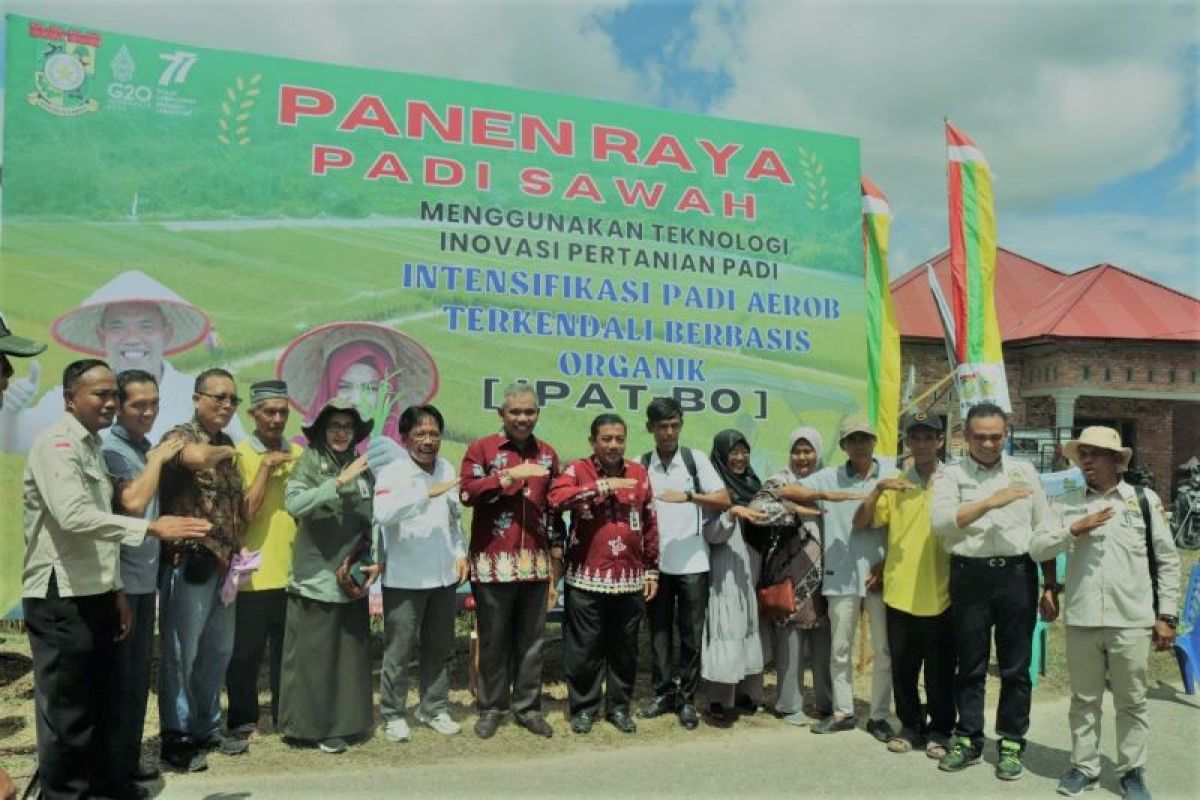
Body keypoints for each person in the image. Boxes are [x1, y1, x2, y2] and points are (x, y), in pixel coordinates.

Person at [22, 359, 209, 798]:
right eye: (99, 394)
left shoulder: (89, 445)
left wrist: (117, 590)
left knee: (101, 701)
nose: (109, 403)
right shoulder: (57, 445)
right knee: (68, 713)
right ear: (70, 397)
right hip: (59, 593)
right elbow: (74, 518)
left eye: (111, 394)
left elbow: (99, 532)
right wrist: (150, 527)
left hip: (95, 589)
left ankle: (104, 787)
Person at [1029, 427, 1180, 800]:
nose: (1088, 460)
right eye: (1084, 454)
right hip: (1082, 618)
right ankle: (1084, 767)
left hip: (1131, 619)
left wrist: (1168, 616)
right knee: (1084, 700)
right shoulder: (1066, 502)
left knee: (1131, 700)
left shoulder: (1142, 501)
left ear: (1117, 460)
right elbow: (1036, 548)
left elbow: (1168, 561)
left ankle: (1131, 772)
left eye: (1096, 454)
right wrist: (1073, 529)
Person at [931, 402, 1059, 780]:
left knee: (1016, 666)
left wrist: (1050, 585)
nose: (988, 444)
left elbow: (1045, 529)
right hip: (970, 575)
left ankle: (1012, 741)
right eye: (980, 436)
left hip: (1017, 576)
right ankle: (969, 737)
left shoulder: (1025, 472)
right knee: (969, 663)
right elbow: (941, 524)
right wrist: (990, 501)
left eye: (995, 436)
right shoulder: (950, 475)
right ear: (965, 436)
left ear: (1007, 435)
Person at [0, 271, 245, 453]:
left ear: (166, 334)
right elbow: (14, 444)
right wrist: (10, 413)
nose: (132, 338)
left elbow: (242, 458)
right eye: (117, 327)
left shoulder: (200, 398)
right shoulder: (73, 399)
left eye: (145, 326)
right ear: (101, 335)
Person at [157, 368, 250, 772]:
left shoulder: (227, 441)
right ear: (197, 398)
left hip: (223, 565)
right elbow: (194, 457)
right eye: (219, 398)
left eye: (233, 400)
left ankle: (206, 727)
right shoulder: (179, 436)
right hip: (189, 563)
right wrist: (230, 452)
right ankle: (176, 737)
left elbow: (234, 507)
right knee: (181, 653)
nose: (227, 406)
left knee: (217, 651)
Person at [459, 382, 561, 739]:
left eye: (529, 411)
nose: (522, 418)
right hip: (492, 563)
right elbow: (467, 493)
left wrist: (556, 555)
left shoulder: (547, 454)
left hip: (535, 565)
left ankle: (528, 708)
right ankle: (491, 708)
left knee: (531, 641)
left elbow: (553, 507)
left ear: (537, 414)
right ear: (501, 414)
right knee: (493, 640)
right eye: (515, 412)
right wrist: (507, 477)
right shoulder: (482, 449)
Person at [101, 369, 186, 792]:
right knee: (121, 684)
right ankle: (114, 775)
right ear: (117, 405)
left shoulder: (141, 447)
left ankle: (126, 764)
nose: (149, 411)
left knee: (135, 684)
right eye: (139, 404)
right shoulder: (113, 449)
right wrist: (157, 460)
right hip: (119, 584)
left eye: (154, 402)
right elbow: (132, 505)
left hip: (142, 580)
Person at [852, 412, 955, 758]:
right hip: (900, 591)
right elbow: (863, 522)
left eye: (930, 437)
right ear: (907, 443)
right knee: (904, 668)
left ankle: (941, 730)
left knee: (940, 670)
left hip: (943, 591)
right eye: (916, 437)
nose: (923, 444)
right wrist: (878, 487)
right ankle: (910, 726)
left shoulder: (954, 482)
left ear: (940, 440)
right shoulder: (896, 484)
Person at [548, 413, 659, 735]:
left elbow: (650, 520)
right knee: (584, 650)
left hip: (630, 578)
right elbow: (556, 499)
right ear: (593, 441)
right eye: (606, 439)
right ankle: (584, 709)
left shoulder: (638, 473)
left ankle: (619, 708)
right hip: (586, 577)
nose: (613, 445)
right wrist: (599, 486)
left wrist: (651, 568)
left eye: (619, 439)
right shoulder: (577, 470)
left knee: (624, 650)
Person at [786, 416, 895, 740]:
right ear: (844, 446)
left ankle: (878, 716)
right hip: (841, 574)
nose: (860, 445)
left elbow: (903, 524)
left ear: (874, 441)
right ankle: (844, 711)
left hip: (880, 575)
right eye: (852, 440)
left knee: (884, 650)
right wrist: (826, 498)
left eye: (865, 438)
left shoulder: (891, 474)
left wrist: (887, 564)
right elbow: (788, 490)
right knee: (840, 648)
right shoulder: (828, 477)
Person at [279, 398, 377, 754]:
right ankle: (308, 728)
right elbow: (294, 504)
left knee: (348, 655)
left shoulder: (363, 466)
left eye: (347, 428)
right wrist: (337, 482)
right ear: (322, 431)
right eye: (335, 426)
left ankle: (348, 724)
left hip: (351, 577)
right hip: (316, 577)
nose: (341, 433)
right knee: (314, 656)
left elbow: (374, 518)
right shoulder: (310, 461)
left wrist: (376, 560)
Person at [373, 404, 468, 743]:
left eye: (434, 434)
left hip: (443, 576)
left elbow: (454, 519)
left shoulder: (447, 467)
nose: (428, 441)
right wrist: (424, 493)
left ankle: (434, 707)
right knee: (398, 651)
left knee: (439, 647)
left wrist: (460, 553)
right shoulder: (393, 472)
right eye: (420, 434)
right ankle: (394, 714)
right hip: (404, 578)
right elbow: (382, 514)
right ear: (404, 437)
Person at [637, 397, 728, 730]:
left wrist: (689, 496)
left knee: (692, 635)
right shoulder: (640, 463)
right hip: (655, 566)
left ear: (681, 424)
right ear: (650, 428)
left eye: (674, 425)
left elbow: (724, 499)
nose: (669, 432)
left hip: (694, 561)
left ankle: (687, 699)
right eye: (662, 426)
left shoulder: (695, 460)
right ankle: (663, 693)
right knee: (659, 633)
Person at [225, 380, 302, 738]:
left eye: (282, 412)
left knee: (288, 655)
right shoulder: (240, 455)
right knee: (246, 655)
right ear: (252, 414)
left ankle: (287, 716)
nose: (276, 419)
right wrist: (266, 469)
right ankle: (243, 720)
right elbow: (244, 516)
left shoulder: (300, 455)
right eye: (268, 412)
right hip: (252, 574)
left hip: (293, 572)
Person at [748, 426, 833, 725]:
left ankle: (827, 703)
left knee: (826, 642)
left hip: (828, 572)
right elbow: (757, 509)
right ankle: (788, 704)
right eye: (797, 451)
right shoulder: (780, 480)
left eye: (808, 450)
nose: (802, 457)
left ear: (818, 451)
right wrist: (794, 508)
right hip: (790, 573)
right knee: (792, 640)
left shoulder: (828, 479)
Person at [276, 320, 438, 446]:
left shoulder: (409, 458)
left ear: (389, 394)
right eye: (343, 387)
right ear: (327, 389)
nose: (356, 400)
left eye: (371, 388)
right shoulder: (300, 453)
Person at [701, 429, 770, 724]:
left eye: (744, 452)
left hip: (749, 562)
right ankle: (718, 698)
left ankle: (745, 692)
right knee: (726, 624)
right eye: (734, 453)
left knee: (746, 624)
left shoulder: (754, 483)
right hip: (725, 560)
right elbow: (711, 532)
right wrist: (731, 515)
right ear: (721, 455)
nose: (740, 458)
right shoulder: (713, 486)